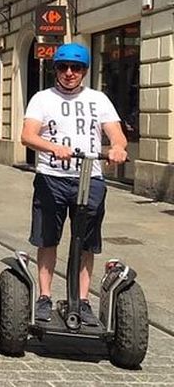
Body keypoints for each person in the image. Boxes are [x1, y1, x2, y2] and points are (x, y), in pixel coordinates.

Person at [21, 43, 128, 326]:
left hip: (89, 178)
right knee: (47, 239)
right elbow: (28, 135)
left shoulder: (99, 99)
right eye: (63, 67)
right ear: (56, 69)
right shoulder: (42, 99)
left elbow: (117, 135)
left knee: (86, 242)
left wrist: (117, 148)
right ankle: (44, 297)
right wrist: (52, 147)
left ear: (84, 71)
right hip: (51, 178)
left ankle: (82, 300)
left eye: (76, 68)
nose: (69, 73)